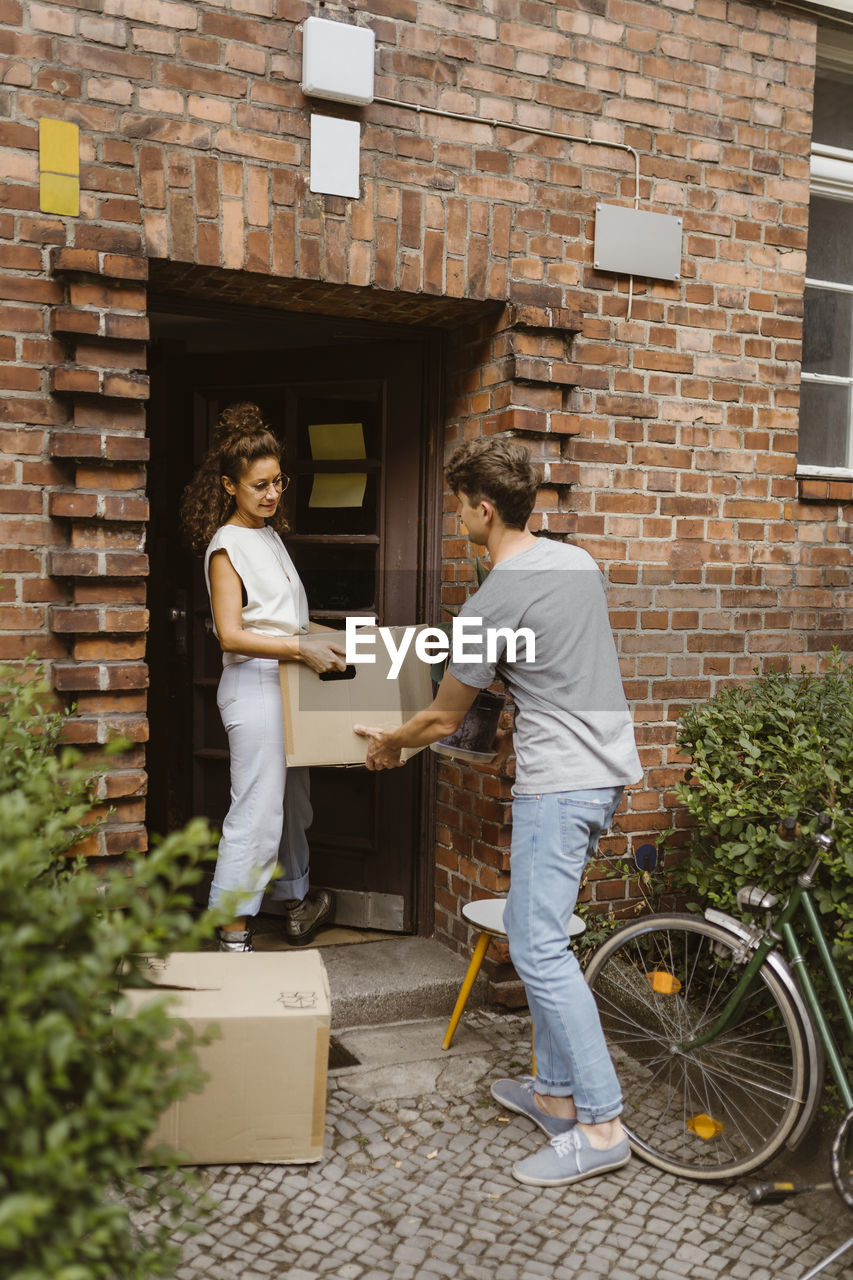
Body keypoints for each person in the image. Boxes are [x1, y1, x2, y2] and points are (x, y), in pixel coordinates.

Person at [355, 436, 643, 1187]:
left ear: (483, 509)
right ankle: (552, 1094)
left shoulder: (493, 600)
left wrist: (390, 743)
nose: (455, 519)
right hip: (605, 769)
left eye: (457, 506)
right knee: (535, 929)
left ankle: (602, 1124)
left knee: (540, 948)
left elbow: (446, 718)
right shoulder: (576, 562)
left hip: (559, 782)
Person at [180, 402, 346, 952]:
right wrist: (302, 648)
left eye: (278, 482)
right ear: (230, 485)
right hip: (254, 686)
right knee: (256, 808)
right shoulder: (227, 546)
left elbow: (286, 621)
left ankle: (295, 900)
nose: (272, 494)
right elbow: (230, 635)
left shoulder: (270, 536)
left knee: (294, 802)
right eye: (259, 486)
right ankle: (231, 930)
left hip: (289, 682)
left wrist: (340, 640)